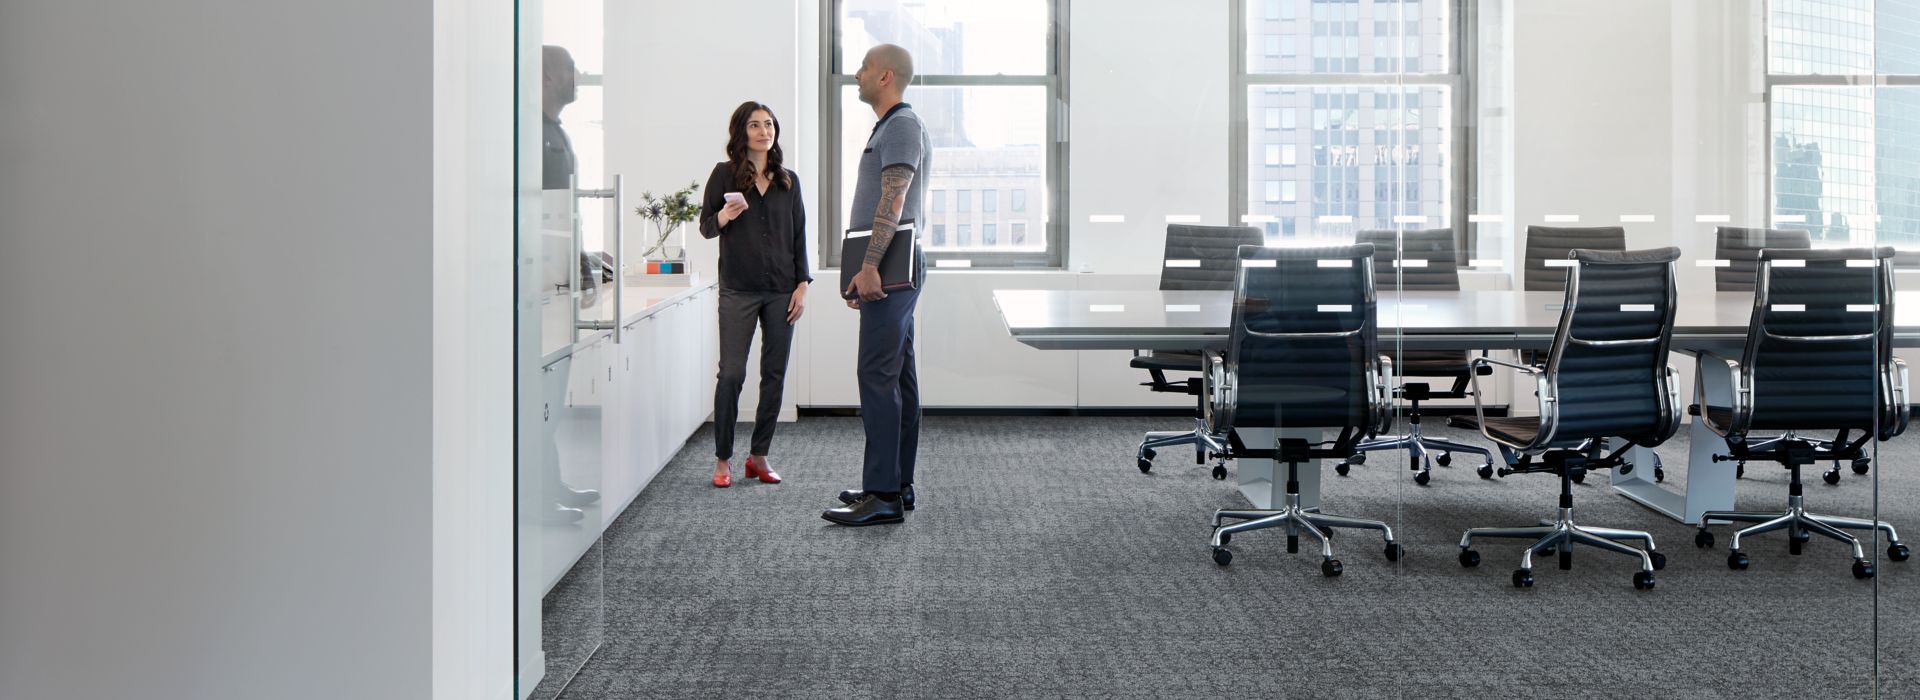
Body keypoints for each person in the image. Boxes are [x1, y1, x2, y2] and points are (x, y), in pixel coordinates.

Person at [822, 44, 931, 527]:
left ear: (885, 76)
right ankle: (897, 484)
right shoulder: (889, 126)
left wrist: (869, 267)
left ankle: (882, 494)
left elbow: (895, 199)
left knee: (876, 377)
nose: (857, 74)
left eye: (864, 67)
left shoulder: (903, 125)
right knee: (897, 378)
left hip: (891, 266)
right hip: (889, 265)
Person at [699, 102, 811, 488]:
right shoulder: (723, 174)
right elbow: (706, 228)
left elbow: (799, 236)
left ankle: (759, 456)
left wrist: (802, 285)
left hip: (782, 289)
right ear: (741, 132)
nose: (764, 131)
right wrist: (726, 217)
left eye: (769, 124)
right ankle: (723, 458)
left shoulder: (788, 181)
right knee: (731, 374)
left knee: (774, 375)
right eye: (755, 125)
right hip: (738, 289)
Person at [538, 44, 598, 523]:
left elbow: (565, 211)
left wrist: (582, 261)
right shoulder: (528, 133)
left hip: (559, 282)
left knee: (550, 399)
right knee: (539, 399)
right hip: (539, 286)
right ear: (546, 76)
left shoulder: (554, 132)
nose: (577, 76)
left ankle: (550, 485)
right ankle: (537, 500)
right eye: (569, 69)